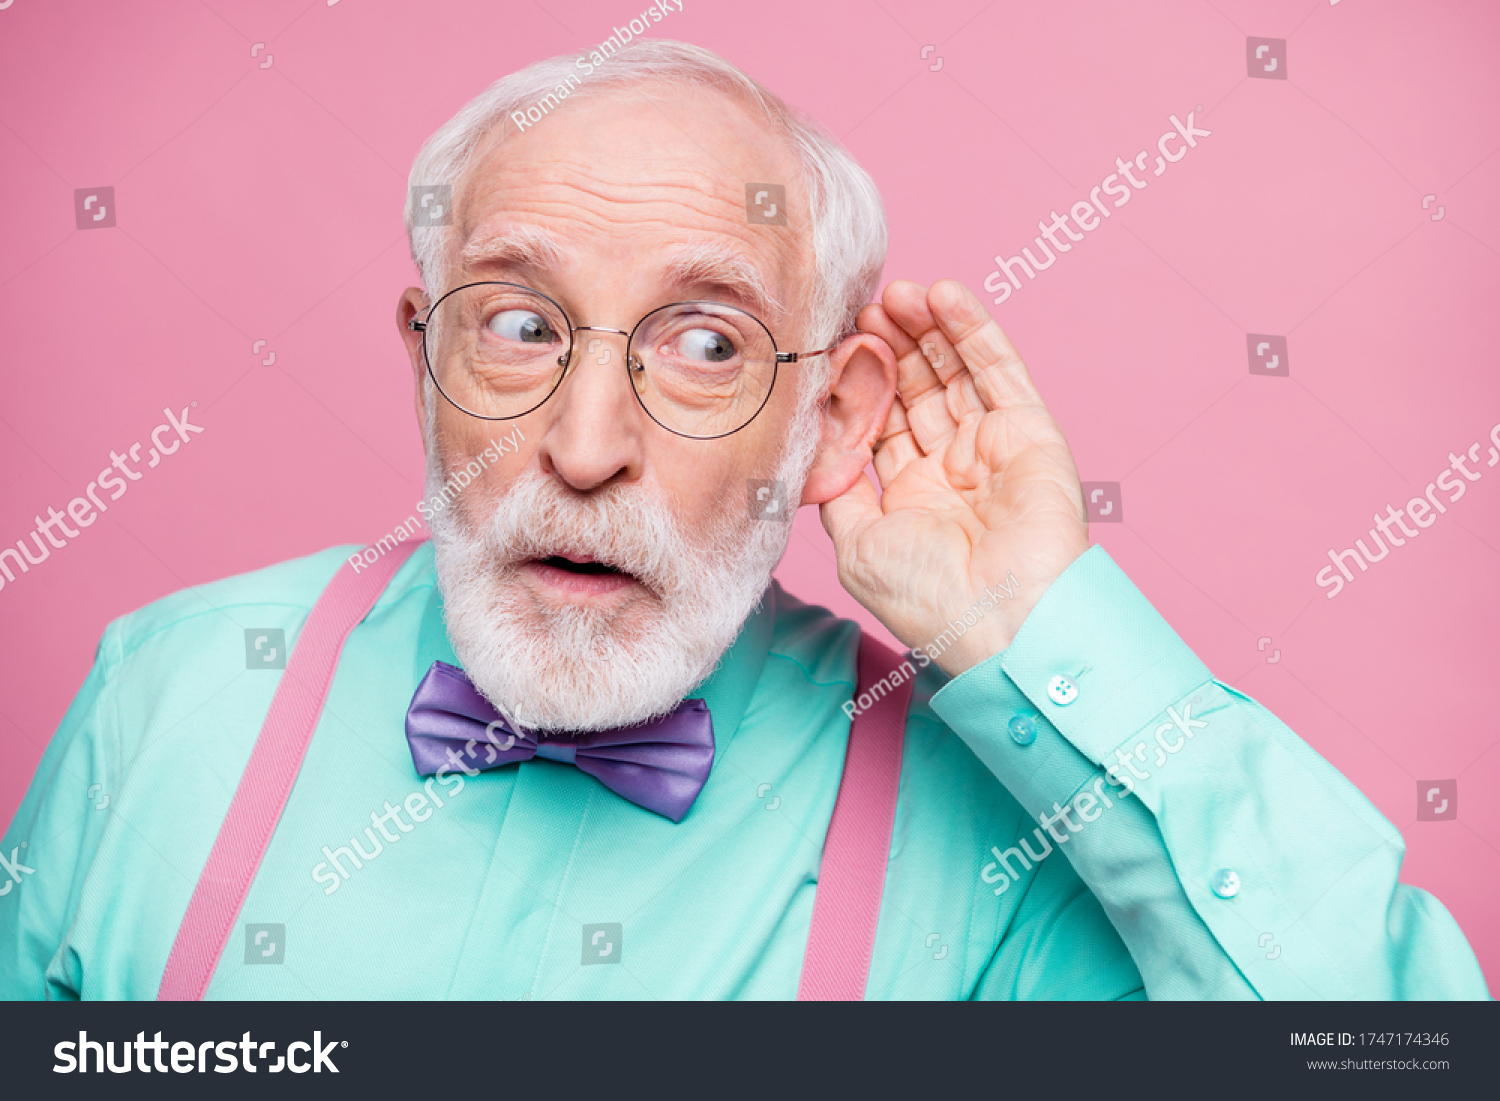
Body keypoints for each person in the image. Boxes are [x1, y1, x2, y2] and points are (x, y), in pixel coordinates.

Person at [0, 39, 1486, 1000]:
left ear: (828, 415)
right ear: (426, 353)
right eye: (519, 326)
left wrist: (1037, 628)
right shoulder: (163, 700)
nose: (585, 450)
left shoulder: (1005, 839)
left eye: (704, 345)